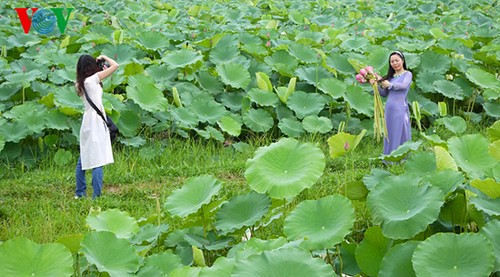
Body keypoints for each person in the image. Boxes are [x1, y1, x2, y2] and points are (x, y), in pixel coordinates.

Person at [74, 54, 119, 198]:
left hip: (87, 121)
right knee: (97, 159)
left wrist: (99, 68)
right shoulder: (93, 79)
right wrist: (104, 57)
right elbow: (115, 66)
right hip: (97, 122)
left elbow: (95, 82)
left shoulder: (80, 84)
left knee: (84, 158)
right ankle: (96, 195)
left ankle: (80, 193)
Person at [370, 51, 413, 156]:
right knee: (390, 133)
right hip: (389, 109)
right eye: (392, 62)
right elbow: (384, 93)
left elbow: (403, 85)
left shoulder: (407, 74)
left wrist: (390, 84)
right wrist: (374, 86)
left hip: (400, 108)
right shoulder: (390, 77)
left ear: (402, 61)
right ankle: (389, 157)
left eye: (397, 60)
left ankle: (401, 157)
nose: (395, 63)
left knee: (400, 131)